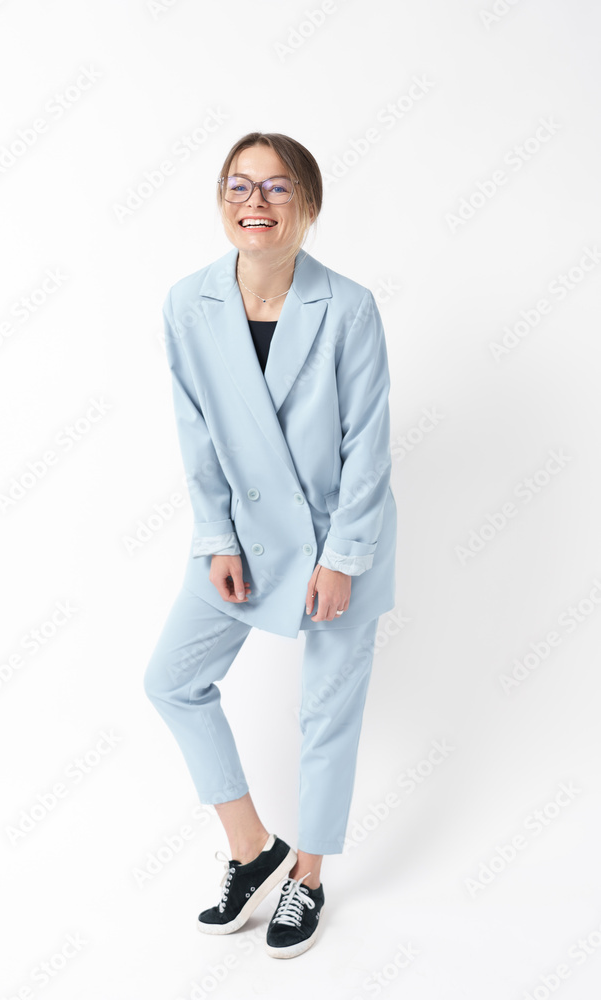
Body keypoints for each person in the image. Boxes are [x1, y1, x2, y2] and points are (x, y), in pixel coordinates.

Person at [143, 131, 397, 959]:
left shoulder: (347, 305)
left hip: (335, 537)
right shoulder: (189, 302)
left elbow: (368, 443)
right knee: (173, 680)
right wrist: (215, 534)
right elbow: (197, 433)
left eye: (277, 188)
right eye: (239, 186)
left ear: (308, 206)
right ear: (222, 202)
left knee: (325, 714)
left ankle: (308, 881)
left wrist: (342, 557)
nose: (255, 202)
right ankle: (253, 850)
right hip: (241, 536)